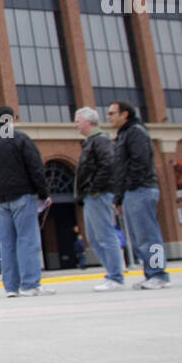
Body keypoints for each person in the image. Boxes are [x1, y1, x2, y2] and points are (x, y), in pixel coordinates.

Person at [0, 106, 53, 297]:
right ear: (13, 119)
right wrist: (43, 193)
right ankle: (30, 284)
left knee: (7, 243)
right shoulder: (20, 138)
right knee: (27, 240)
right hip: (22, 195)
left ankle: (11, 287)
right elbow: (36, 168)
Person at [108, 100, 171, 289]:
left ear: (124, 114)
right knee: (139, 238)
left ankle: (159, 275)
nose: (109, 117)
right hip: (132, 192)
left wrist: (131, 186)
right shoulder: (125, 134)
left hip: (141, 190)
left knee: (149, 236)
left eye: (112, 113)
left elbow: (139, 163)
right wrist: (120, 197)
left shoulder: (136, 132)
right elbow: (121, 169)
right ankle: (152, 274)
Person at [73, 107, 126, 291]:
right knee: (95, 239)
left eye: (77, 121)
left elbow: (108, 164)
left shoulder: (101, 140)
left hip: (99, 194)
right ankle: (112, 273)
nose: (75, 125)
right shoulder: (90, 142)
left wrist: (95, 188)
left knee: (105, 235)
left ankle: (116, 276)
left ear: (88, 122)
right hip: (91, 195)